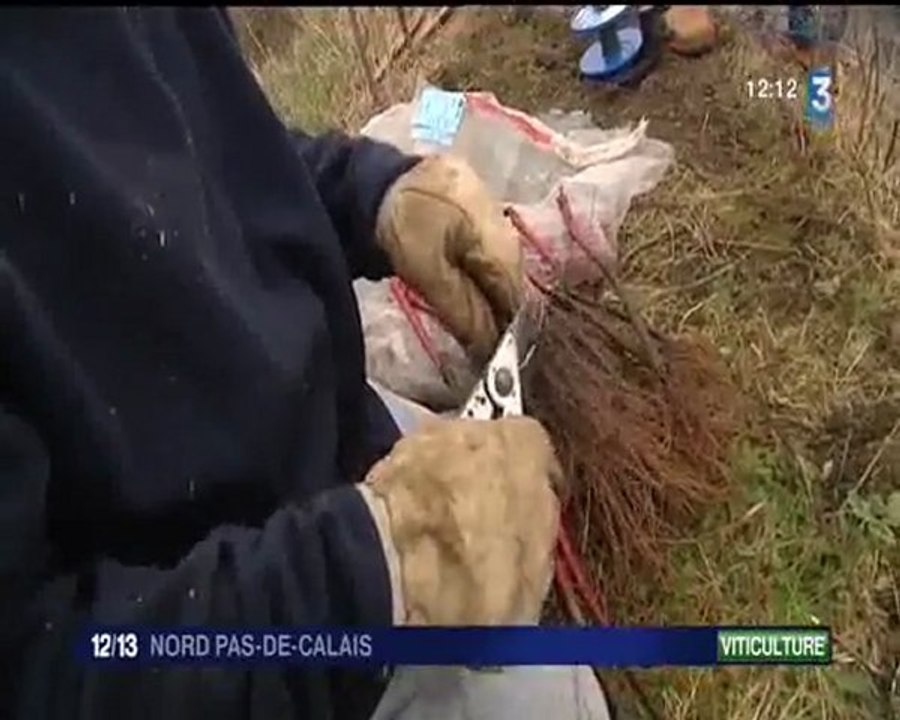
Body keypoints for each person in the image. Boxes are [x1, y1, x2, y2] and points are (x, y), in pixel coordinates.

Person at [1, 8, 614, 720]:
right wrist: (373, 569)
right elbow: (36, 669)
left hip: (338, 449)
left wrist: (375, 194)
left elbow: (219, 148)